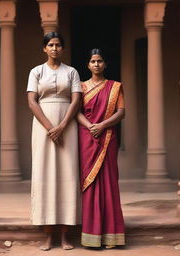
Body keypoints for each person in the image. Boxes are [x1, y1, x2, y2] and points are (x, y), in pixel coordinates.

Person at [27, 32, 82, 251]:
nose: (55, 48)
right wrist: (51, 128)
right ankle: (48, 234)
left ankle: (66, 234)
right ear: (44, 48)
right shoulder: (36, 71)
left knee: (67, 174)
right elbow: (32, 101)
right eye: (50, 45)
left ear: (63, 48)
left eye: (58, 45)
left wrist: (62, 126)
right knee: (44, 174)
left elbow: (76, 99)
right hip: (43, 127)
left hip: (67, 125)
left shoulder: (72, 72)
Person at [77, 48, 125, 248]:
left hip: (107, 138)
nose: (96, 64)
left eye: (100, 61)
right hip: (87, 138)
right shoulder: (80, 87)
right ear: (88, 65)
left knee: (109, 183)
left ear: (105, 64)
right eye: (93, 61)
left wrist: (103, 125)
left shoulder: (115, 87)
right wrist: (90, 126)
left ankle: (111, 235)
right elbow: (76, 112)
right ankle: (91, 235)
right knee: (89, 185)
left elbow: (121, 112)